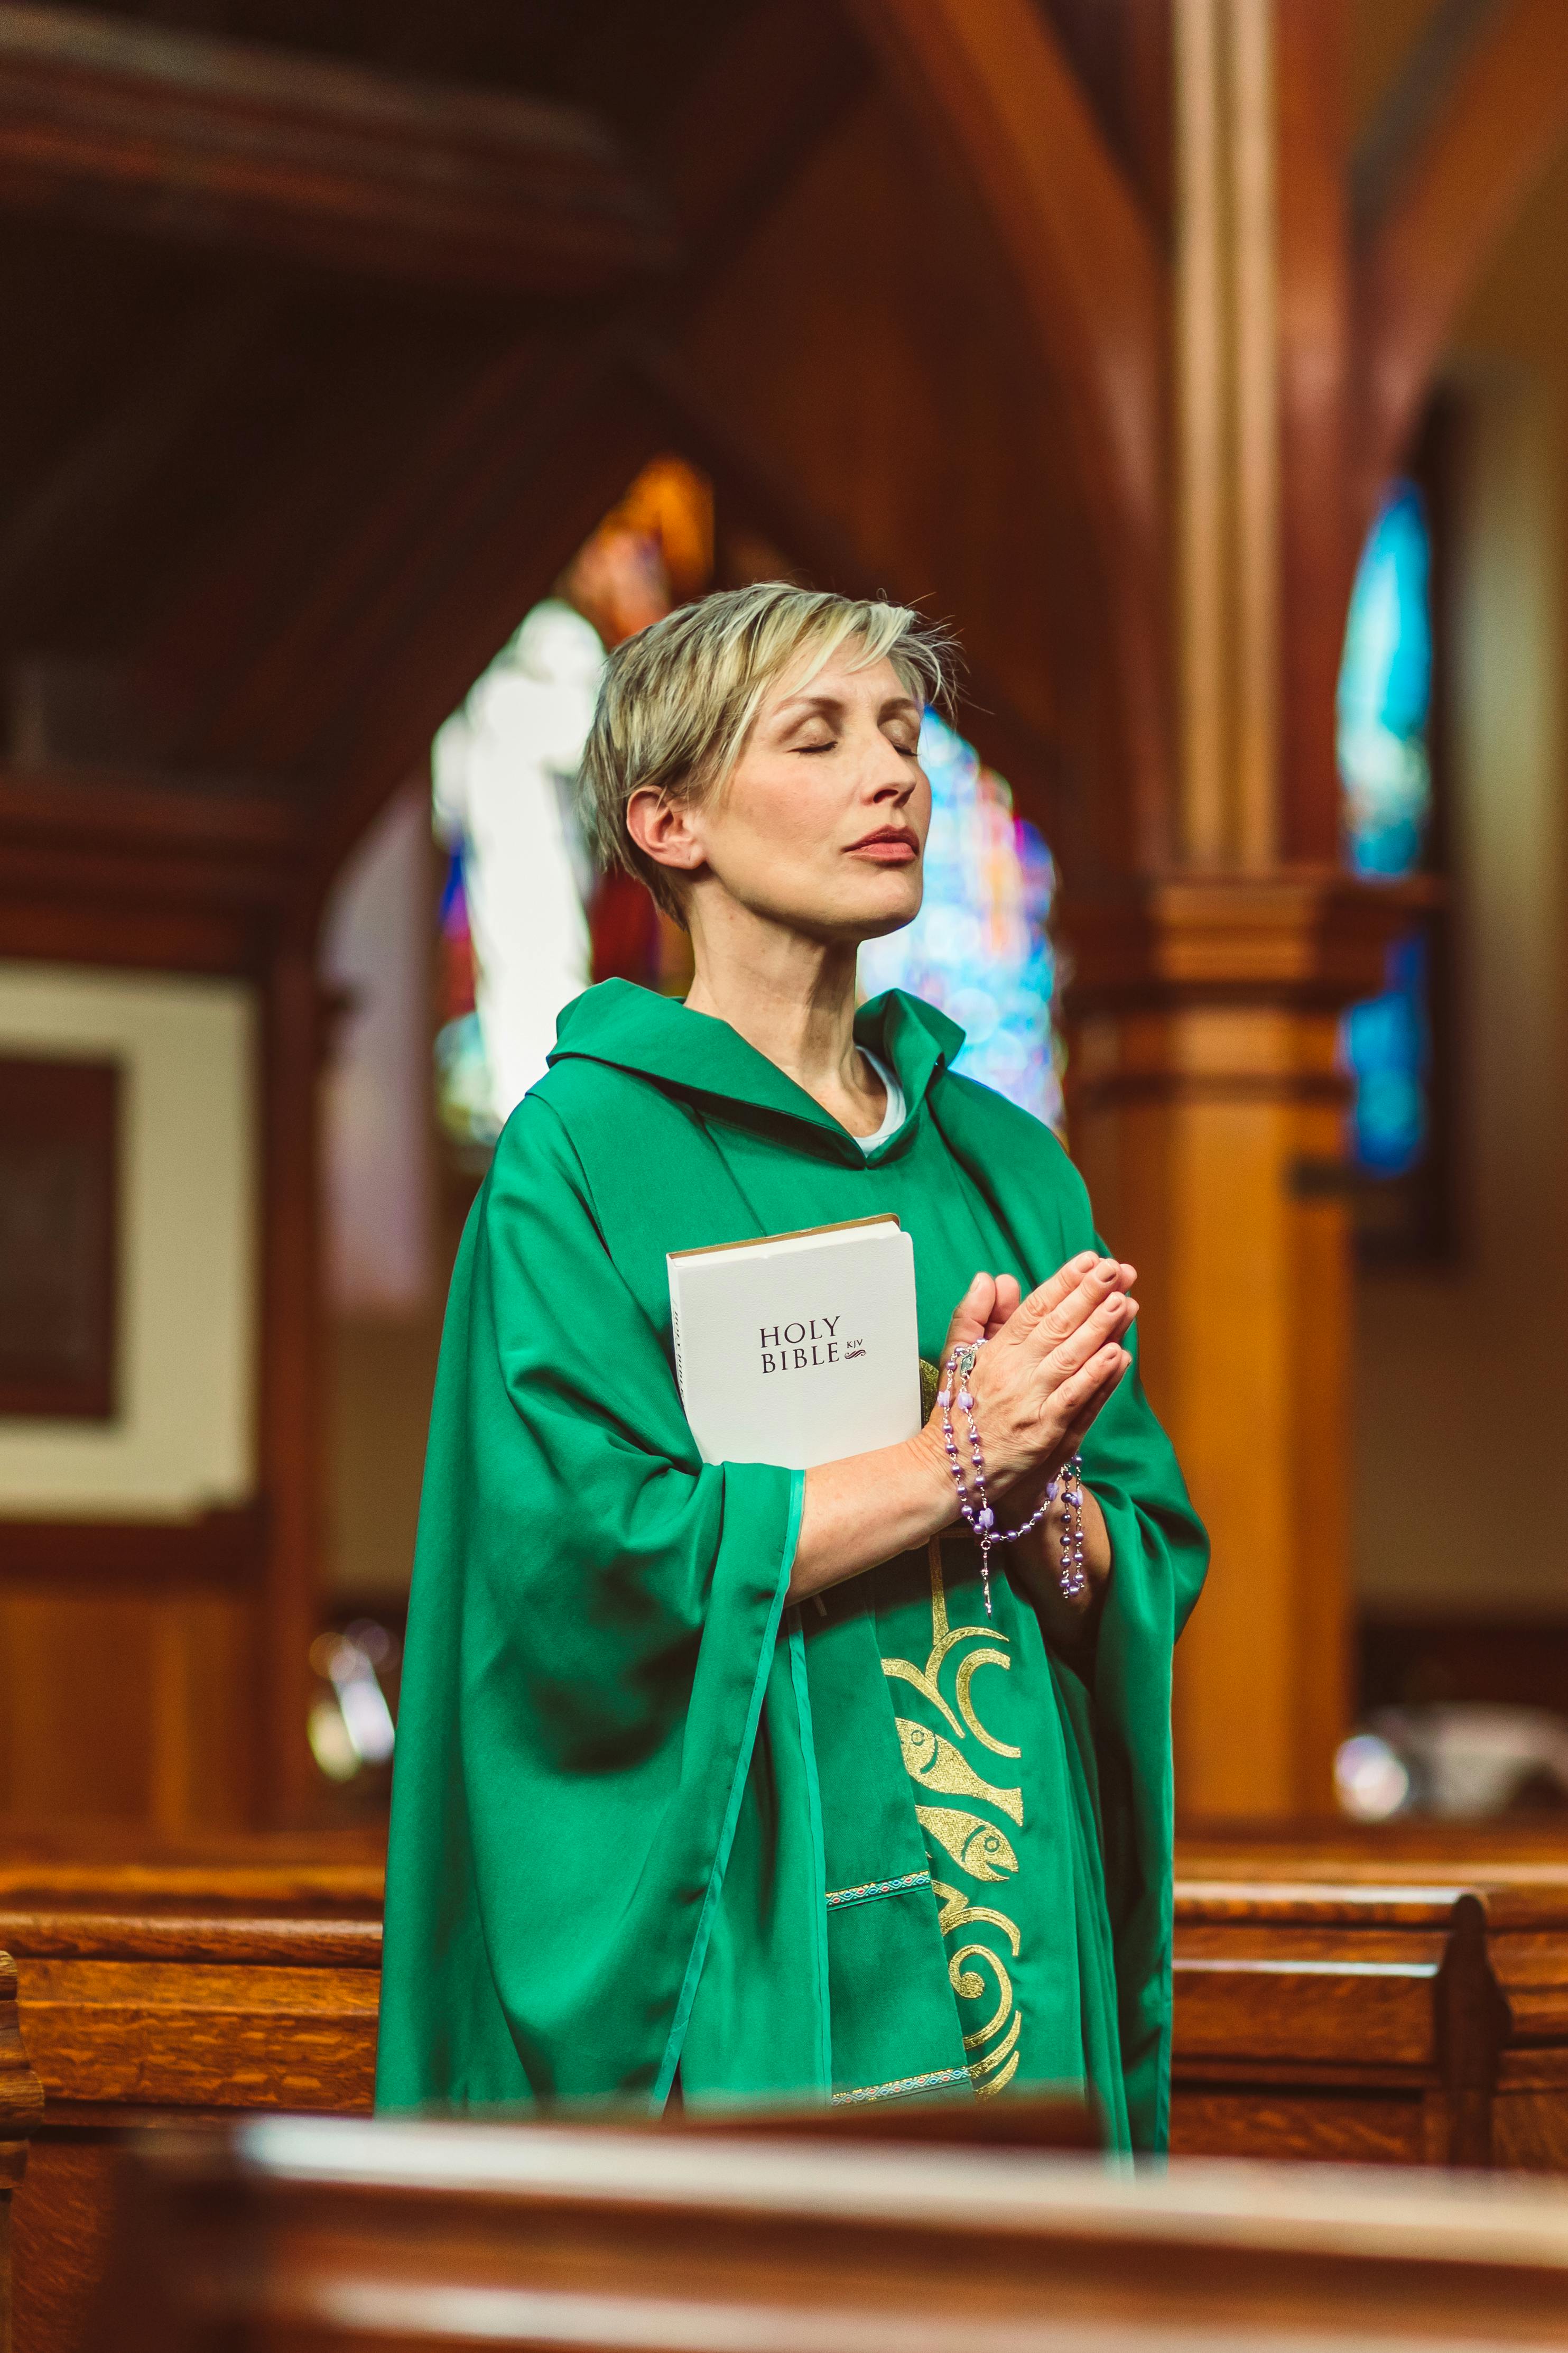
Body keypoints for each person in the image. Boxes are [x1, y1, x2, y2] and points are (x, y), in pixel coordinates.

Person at [376, 585, 1208, 2149]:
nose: (894, 775)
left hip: (1012, 1896)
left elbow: (1128, 1581)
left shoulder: (1008, 1166)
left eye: (902, 732)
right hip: (750, 1926)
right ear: (668, 821)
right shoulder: (583, 1159)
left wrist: (1037, 1503)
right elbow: (582, 1571)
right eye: (817, 737)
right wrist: (950, 1459)